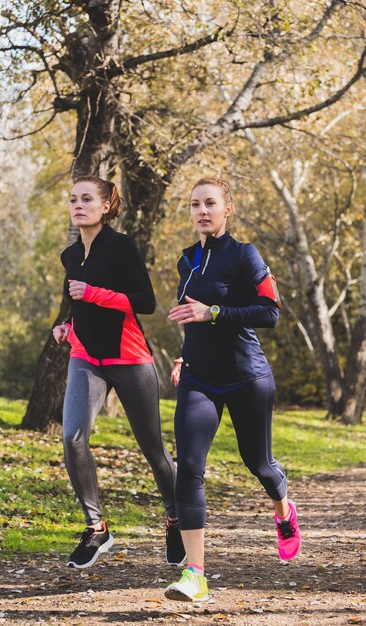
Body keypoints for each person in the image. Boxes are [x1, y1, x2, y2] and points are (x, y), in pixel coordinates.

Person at [164, 177, 301, 603]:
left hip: (247, 376)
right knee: (188, 467)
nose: (201, 211)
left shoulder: (246, 255)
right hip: (199, 377)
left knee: (258, 463)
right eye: (194, 205)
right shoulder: (187, 260)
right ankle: (196, 574)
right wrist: (185, 354)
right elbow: (191, 315)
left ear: (228, 209)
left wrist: (215, 312)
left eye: (210, 203)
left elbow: (270, 312)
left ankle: (284, 509)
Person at [53, 175, 185, 569]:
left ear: (107, 206)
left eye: (87, 198)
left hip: (130, 358)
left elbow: (144, 301)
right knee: (73, 437)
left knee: (153, 450)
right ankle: (97, 529)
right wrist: (67, 328)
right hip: (86, 357)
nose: (78, 205)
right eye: (73, 199)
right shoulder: (70, 255)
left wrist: (94, 294)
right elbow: (76, 308)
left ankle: (176, 520)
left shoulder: (122, 247)